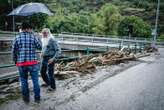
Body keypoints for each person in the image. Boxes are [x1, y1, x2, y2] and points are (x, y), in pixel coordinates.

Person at [12, 22, 42, 103]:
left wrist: (15, 60)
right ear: (28, 28)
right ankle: (37, 99)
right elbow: (40, 47)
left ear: (22, 29)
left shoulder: (17, 38)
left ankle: (26, 99)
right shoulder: (33, 37)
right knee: (35, 81)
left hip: (21, 63)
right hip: (32, 63)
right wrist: (37, 37)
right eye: (31, 29)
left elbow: (14, 51)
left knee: (23, 81)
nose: (31, 30)